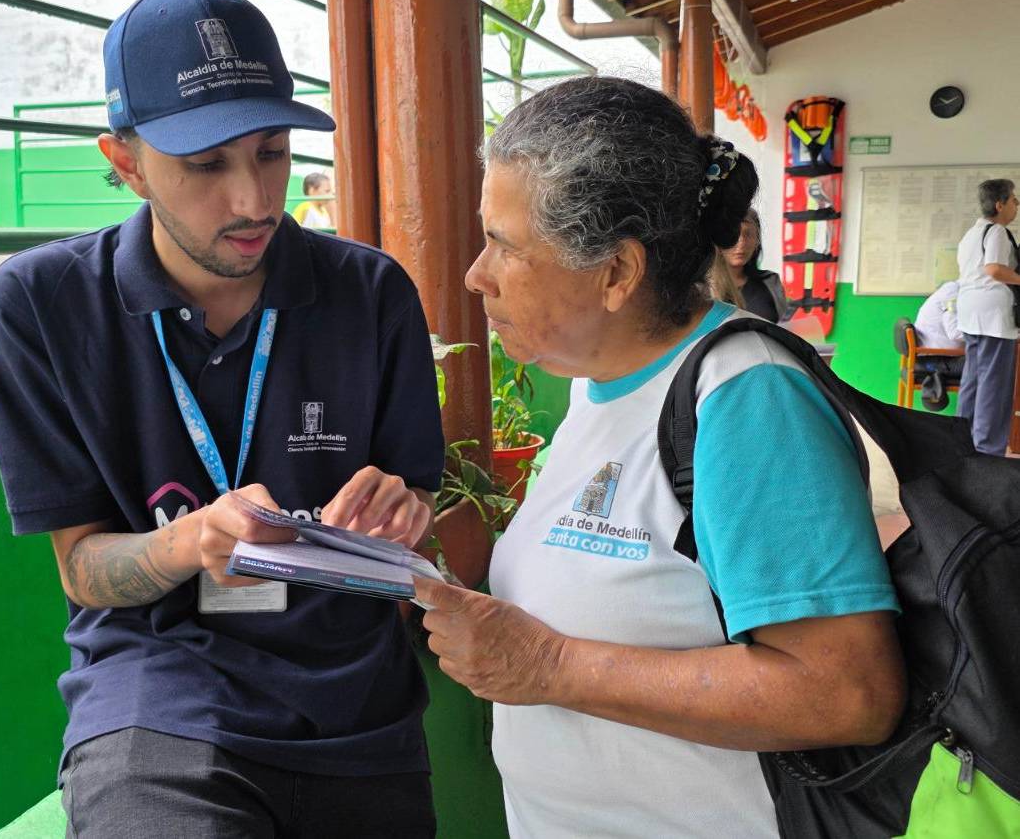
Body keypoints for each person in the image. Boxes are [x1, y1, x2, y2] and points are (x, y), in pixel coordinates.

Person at [0, 0, 443, 837]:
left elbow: (418, 503)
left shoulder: (371, 292)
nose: (255, 200)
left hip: (360, 704)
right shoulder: (38, 305)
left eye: (271, 151)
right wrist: (196, 539)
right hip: (160, 693)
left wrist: (402, 511)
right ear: (123, 161)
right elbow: (83, 569)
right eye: (206, 165)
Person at [414, 77, 904, 838]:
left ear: (616, 272)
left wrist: (549, 668)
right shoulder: (596, 388)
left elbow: (847, 692)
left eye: (504, 246)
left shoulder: (743, 398)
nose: (477, 275)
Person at [956, 178, 1020, 455]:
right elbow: (994, 269)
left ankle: (962, 442)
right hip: (993, 316)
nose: (1017, 206)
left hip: (970, 313)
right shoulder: (996, 232)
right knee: (994, 384)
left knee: (973, 379)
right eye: (1014, 200)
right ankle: (988, 450)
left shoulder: (972, 233)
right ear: (1000, 204)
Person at [719, 206, 787, 322]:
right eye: (733, 235)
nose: (741, 243)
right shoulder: (702, 289)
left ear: (757, 240)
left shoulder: (770, 282)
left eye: (748, 234)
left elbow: (786, 327)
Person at [913, 280, 965, 412]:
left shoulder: (952, 288)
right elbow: (955, 333)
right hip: (936, 360)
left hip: (933, 356)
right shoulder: (953, 293)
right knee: (990, 362)